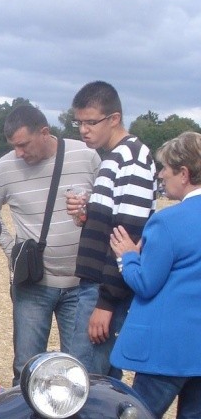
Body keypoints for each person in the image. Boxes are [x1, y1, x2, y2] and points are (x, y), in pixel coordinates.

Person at [109, 132, 201, 419]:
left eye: (165, 169)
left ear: (184, 172)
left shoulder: (168, 220)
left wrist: (127, 254)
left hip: (167, 352)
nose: (160, 176)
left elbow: (145, 283)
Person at [0, 103, 99, 384]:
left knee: (79, 372)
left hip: (81, 287)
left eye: (24, 145)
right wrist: (10, 248)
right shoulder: (5, 168)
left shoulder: (87, 157)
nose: (19, 153)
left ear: (44, 132)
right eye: (14, 147)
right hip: (33, 284)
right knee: (26, 368)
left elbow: (105, 206)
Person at [66, 81, 156, 377]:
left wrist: (105, 303)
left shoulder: (132, 159)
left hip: (103, 291)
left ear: (114, 119)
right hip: (96, 286)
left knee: (85, 381)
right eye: (79, 122)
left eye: (91, 122)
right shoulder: (114, 158)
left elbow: (128, 235)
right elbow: (113, 222)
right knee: (97, 378)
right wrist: (87, 215)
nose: (83, 130)